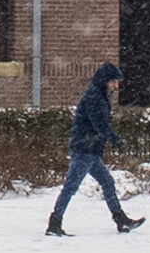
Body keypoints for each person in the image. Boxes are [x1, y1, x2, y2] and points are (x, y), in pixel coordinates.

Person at [46, 58, 138, 236]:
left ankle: (121, 220)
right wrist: (116, 140)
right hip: (84, 150)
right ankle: (54, 224)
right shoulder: (94, 97)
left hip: (91, 150)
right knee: (71, 187)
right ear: (105, 80)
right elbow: (100, 125)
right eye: (113, 81)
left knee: (106, 182)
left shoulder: (99, 94)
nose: (116, 85)